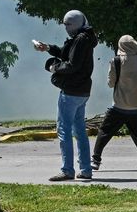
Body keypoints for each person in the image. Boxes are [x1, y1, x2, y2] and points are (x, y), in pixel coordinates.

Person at [34, 10, 97, 181]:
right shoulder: (85, 38)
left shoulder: (80, 40)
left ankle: (67, 170)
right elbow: (66, 52)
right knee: (80, 131)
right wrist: (48, 48)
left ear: (76, 24)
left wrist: (55, 68)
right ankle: (85, 169)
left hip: (71, 91)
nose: (66, 28)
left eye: (69, 24)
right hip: (83, 91)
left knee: (64, 131)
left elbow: (72, 64)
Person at [92, 35, 137, 170]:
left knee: (104, 132)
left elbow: (110, 83)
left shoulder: (116, 61)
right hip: (136, 105)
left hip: (119, 105)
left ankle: (95, 160)